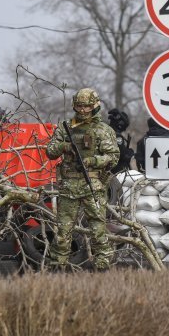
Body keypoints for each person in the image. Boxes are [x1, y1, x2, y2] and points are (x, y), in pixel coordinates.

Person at [46, 88, 119, 271]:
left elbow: (113, 157)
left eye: (86, 106)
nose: (83, 110)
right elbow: (50, 152)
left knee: (98, 229)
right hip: (69, 186)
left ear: (94, 106)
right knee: (63, 230)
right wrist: (65, 146)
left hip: (92, 185)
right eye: (79, 106)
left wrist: (93, 160)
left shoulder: (103, 130)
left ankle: (102, 266)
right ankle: (58, 266)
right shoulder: (66, 128)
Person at [107, 108, 134, 173]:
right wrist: (130, 152)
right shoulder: (116, 136)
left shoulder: (106, 132)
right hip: (117, 171)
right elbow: (122, 155)